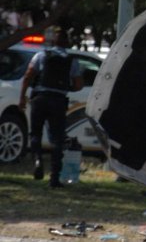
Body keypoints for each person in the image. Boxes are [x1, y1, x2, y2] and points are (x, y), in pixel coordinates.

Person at [19, 28, 83, 188]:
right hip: (58, 101)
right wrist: (67, 88)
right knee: (57, 139)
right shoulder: (71, 60)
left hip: (39, 99)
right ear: (67, 43)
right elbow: (78, 84)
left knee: (35, 133)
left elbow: (28, 75)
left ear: (53, 41)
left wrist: (22, 97)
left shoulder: (41, 55)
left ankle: (38, 160)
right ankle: (54, 178)